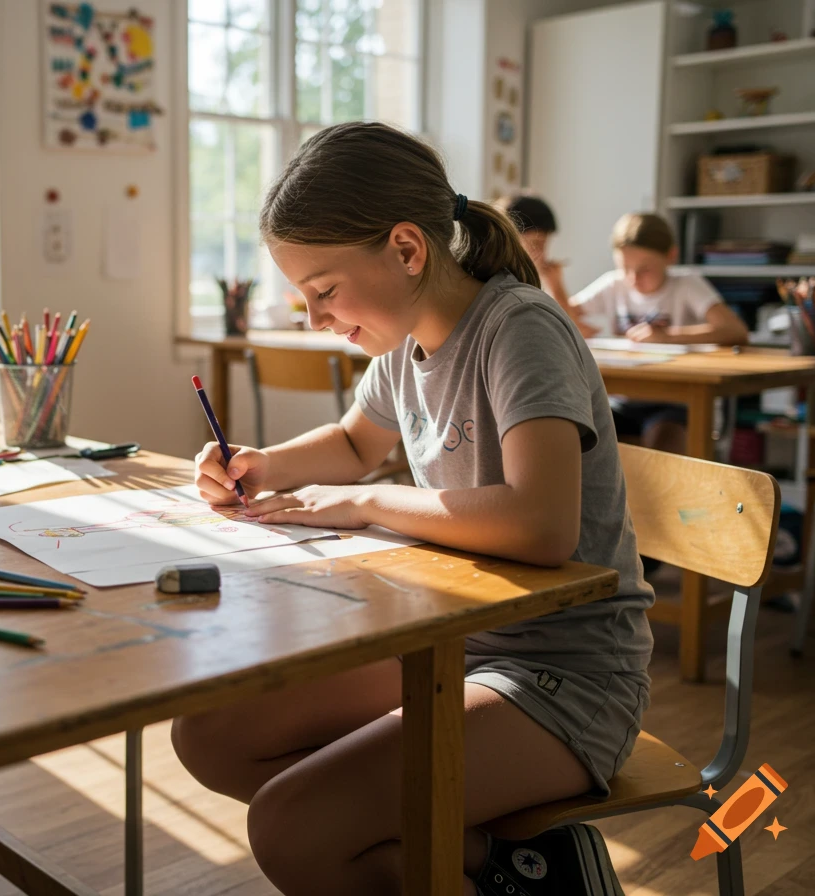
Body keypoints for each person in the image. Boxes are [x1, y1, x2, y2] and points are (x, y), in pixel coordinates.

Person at [174, 122, 653, 896]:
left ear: (406, 249)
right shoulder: (403, 344)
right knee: (212, 735)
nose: (315, 318)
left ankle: (488, 862)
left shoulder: (518, 329)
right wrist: (263, 464)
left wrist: (366, 505)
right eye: (305, 297)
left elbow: (542, 525)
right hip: (452, 642)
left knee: (292, 827)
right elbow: (356, 443)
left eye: (324, 291)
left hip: (564, 678)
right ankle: (511, 868)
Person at [571, 212, 748, 453]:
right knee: (574, 430)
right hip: (623, 399)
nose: (633, 278)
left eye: (645, 269)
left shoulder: (686, 285)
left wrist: (667, 337)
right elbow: (564, 313)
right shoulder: (614, 283)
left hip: (675, 403)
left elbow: (735, 331)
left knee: (664, 444)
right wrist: (554, 279)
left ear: (671, 256)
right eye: (625, 268)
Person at [495, 193, 589, 331]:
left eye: (545, 244)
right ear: (510, 238)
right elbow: (570, 330)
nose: (543, 254)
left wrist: (555, 285)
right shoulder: (499, 283)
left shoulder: (525, 281)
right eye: (536, 244)